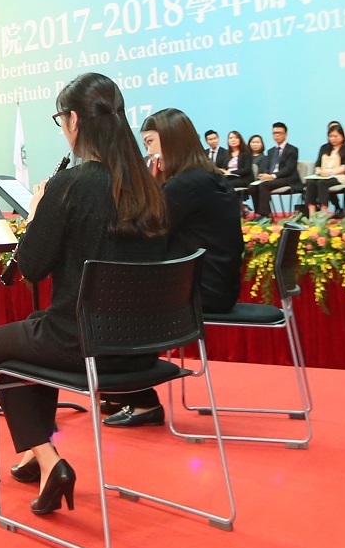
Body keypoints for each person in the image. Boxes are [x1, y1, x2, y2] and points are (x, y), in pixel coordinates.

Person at [0, 73, 168, 514]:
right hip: (143, 349)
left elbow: (31, 267)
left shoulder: (71, 185)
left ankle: (49, 459)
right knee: (32, 334)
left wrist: (38, 212)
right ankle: (34, 455)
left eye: (61, 119)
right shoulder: (149, 187)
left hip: (83, 344)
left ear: (75, 121)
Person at [101, 108, 244, 428]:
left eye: (151, 142)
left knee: (117, 301)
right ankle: (120, 390)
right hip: (219, 286)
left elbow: (147, 231)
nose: (149, 151)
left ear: (172, 140)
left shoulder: (186, 184)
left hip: (204, 291)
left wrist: (103, 224)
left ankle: (140, 400)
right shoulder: (204, 176)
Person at [250, 122, 301, 215]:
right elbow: (267, 166)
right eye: (274, 133)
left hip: (286, 178)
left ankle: (264, 215)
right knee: (253, 187)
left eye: (279, 133)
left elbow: (289, 168)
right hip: (272, 179)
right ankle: (259, 213)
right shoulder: (271, 151)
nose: (276, 135)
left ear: (286, 134)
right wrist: (265, 175)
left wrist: (272, 176)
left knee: (264, 185)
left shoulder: (292, 149)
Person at [302, 122, 345, 210]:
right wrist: (318, 170)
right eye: (330, 136)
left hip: (341, 176)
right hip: (324, 175)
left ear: (342, 136)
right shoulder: (324, 147)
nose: (333, 139)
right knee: (310, 182)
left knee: (322, 183)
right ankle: (312, 211)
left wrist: (329, 173)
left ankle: (323, 212)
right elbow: (317, 164)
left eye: (335, 136)